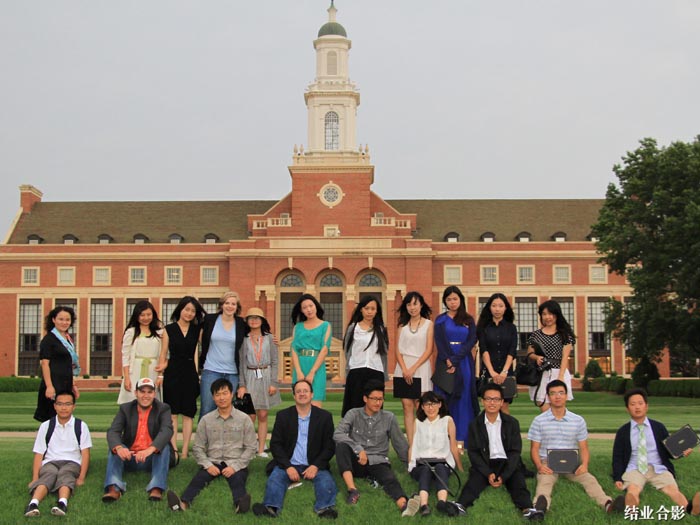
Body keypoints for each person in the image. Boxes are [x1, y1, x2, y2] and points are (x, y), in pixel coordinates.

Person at [167, 378, 256, 514]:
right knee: (198, 480)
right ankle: (182, 504)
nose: (222, 398)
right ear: (213, 398)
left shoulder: (244, 419)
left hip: (235, 461)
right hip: (213, 461)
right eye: (217, 394)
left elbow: (251, 447)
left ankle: (240, 506)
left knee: (238, 480)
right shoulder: (206, 420)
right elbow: (198, 448)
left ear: (231, 394)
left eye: (225, 393)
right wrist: (208, 465)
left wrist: (235, 467)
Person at [252, 379, 338, 519]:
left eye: (305, 391)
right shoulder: (283, 416)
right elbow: (276, 444)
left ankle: (325, 509)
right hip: (289, 463)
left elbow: (329, 446)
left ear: (312, 394)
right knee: (275, 479)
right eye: (298, 391)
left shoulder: (324, 417)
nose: (302, 394)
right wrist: (288, 466)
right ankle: (270, 508)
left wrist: (316, 466)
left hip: (314, 464)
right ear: (294, 395)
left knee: (326, 482)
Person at [528, 379, 615, 515]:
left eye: (561, 393)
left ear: (566, 395)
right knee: (544, 482)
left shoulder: (578, 420)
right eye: (553, 393)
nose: (557, 396)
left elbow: (584, 447)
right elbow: (534, 448)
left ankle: (607, 504)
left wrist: (584, 465)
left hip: (571, 462)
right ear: (548, 397)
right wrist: (539, 466)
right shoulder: (539, 421)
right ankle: (539, 508)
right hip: (548, 462)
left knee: (589, 479)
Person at [457, 384, 543, 521]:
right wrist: (488, 473)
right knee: (474, 481)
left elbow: (515, 452)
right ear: (482, 401)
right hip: (486, 461)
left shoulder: (512, 423)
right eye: (488, 399)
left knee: (518, 482)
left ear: (502, 402)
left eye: (496, 399)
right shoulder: (475, 424)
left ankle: (528, 510)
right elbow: (473, 453)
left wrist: (504, 475)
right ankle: (460, 506)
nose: (492, 403)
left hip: (507, 462)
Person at [611, 388, 700, 516]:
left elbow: (669, 450)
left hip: (658, 468)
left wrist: (681, 453)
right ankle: (631, 508)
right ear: (627, 409)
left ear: (646, 406)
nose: (637, 407)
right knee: (633, 489)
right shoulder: (623, 431)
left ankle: (691, 509)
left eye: (640, 403)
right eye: (633, 404)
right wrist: (618, 477)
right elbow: (617, 457)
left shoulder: (658, 427)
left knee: (672, 490)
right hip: (634, 468)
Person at [333, 380, 410, 513]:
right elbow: (338, 434)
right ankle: (352, 490)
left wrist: (411, 464)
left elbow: (400, 443)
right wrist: (358, 449)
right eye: (374, 399)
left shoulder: (389, 417)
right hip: (357, 462)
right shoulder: (353, 414)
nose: (378, 403)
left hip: (378, 461)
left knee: (390, 479)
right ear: (365, 398)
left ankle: (404, 505)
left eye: (380, 399)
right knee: (341, 446)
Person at [102, 377, 173, 503]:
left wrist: (150, 449)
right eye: (142, 392)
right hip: (130, 456)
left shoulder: (163, 409)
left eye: (149, 392)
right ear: (136, 393)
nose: (146, 396)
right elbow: (113, 431)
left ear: (154, 394)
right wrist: (119, 448)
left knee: (164, 446)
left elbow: (167, 430)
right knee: (114, 447)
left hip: (151, 458)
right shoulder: (125, 409)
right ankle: (114, 488)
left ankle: (156, 488)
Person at [24, 391, 92, 518]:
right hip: (50, 461)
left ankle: (62, 503)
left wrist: (81, 478)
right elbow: (39, 453)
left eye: (68, 404)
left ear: (74, 406)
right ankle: (33, 504)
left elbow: (85, 453)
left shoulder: (81, 426)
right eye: (60, 404)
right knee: (49, 474)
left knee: (65, 474)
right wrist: (35, 478)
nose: (63, 408)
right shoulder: (46, 426)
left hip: (72, 462)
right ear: (55, 406)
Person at [155, 296, 205, 459]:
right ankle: (174, 449)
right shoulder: (168, 329)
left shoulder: (197, 330)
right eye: (186, 309)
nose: (189, 313)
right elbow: (163, 354)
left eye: (193, 311)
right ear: (180, 310)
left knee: (188, 413)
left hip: (190, 373)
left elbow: (207, 346)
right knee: (173, 413)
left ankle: (185, 451)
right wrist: (160, 374)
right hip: (172, 372)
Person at [433, 286, 478, 445]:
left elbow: (472, 340)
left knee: (464, 398)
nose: (452, 302)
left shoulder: (468, 319)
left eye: (455, 299)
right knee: (444, 397)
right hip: (444, 362)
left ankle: (463, 437)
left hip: (464, 361)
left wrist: (456, 359)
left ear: (460, 300)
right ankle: (443, 438)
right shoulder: (440, 320)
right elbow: (439, 341)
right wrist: (448, 360)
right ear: (445, 301)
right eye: (449, 299)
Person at [408, 391, 463, 517]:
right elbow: (413, 446)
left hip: (442, 462)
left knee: (440, 468)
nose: (430, 408)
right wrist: (410, 465)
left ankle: (442, 502)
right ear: (422, 407)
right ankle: (424, 505)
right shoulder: (418, 422)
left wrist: (460, 467)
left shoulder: (447, 420)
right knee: (425, 470)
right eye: (427, 404)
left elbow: (453, 446)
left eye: (433, 404)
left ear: (440, 405)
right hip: (422, 462)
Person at [237, 307, 281, 457]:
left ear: (262, 320)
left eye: (257, 318)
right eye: (251, 318)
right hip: (249, 375)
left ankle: (261, 449)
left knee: (263, 414)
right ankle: (250, 448)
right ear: (247, 321)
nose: (254, 320)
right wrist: (242, 385)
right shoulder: (243, 339)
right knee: (250, 416)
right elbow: (241, 363)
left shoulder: (270, 338)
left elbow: (275, 361)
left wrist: (273, 382)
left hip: (266, 376)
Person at [394, 291, 434, 447]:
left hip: (421, 368)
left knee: (421, 406)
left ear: (421, 305)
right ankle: (411, 446)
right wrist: (405, 369)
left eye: (415, 304)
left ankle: (424, 445)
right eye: (409, 304)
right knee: (407, 406)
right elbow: (397, 351)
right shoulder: (402, 326)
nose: (412, 307)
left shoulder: (429, 324)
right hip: (403, 369)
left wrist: (413, 368)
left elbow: (429, 350)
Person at [199, 291, 247, 418]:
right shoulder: (210, 319)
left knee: (228, 410)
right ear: (221, 305)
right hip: (211, 370)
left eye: (233, 304)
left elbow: (254, 334)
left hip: (233, 373)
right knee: (207, 408)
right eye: (227, 303)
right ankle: (203, 432)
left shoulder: (241, 323)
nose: (230, 306)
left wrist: (270, 338)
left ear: (237, 307)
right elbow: (196, 334)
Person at [341, 296, 389, 417]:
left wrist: (385, 374)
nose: (369, 311)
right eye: (366, 308)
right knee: (355, 408)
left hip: (376, 372)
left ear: (377, 311)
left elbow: (384, 353)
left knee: (374, 409)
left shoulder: (381, 330)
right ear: (361, 309)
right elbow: (347, 351)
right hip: (356, 372)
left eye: (373, 309)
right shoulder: (353, 328)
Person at [527, 300, 575, 411]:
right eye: (544, 314)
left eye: (550, 314)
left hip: (558, 371)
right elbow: (530, 353)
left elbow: (565, 357)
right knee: (544, 410)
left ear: (556, 315)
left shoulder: (565, 334)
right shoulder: (535, 335)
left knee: (558, 409)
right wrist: (536, 357)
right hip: (542, 373)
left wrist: (560, 377)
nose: (547, 317)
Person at [34, 306, 80, 422]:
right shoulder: (49, 339)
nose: (64, 322)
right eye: (61, 319)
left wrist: (73, 384)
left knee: (64, 419)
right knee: (51, 420)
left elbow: (68, 364)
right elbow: (45, 364)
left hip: (65, 384)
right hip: (54, 384)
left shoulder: (68, 339)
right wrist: (49, 386)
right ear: (54, 320)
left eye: (67, 319)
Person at [476, 293, 517, 413]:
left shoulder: (511, 328)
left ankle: (506, 427)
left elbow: (512, 350)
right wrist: (492, 372)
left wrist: (504, 372)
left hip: (506, 373)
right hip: (489, 372)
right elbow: (484, 350)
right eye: (494, 306)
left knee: (504, 406)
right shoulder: (483, 327)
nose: (497, 309)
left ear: (505, 308)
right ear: (489, 308)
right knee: (490, 405)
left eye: (500, 306)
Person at [117, 301, 163, 404]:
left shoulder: (160, 332)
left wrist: (160, 375)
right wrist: (127, 377)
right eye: (142, 315)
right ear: (137, 316)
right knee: (132, 400)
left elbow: (163, 355)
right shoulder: (131, 332)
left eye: (148, 314)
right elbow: (125, 356)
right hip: (135, 370)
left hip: (153, 370)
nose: (146, 318)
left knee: (152, 400)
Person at [291, 294, 332, 407]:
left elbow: (324, 349)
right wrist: (298, 371)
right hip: (300, 365)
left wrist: (312, 372)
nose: (309, 309)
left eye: (311, 306)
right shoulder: (297, 327)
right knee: (300, 404)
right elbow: (294, 349)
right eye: (305, 307)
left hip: (317, 367)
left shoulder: (325, 325)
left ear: (316, 306)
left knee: (315, 405)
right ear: (301, 310)